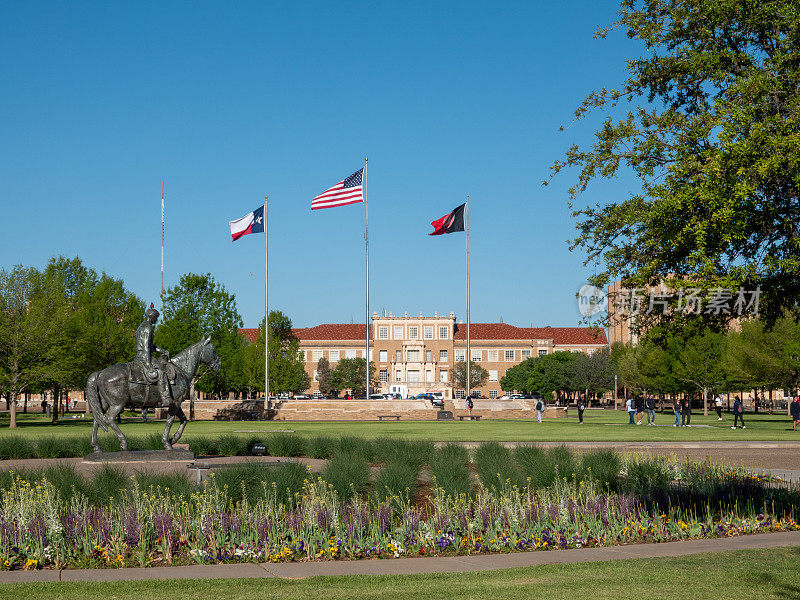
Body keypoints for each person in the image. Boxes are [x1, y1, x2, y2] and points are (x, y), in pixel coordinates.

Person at [134, 304, 173, 408]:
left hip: (141, 355)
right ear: (152, 317)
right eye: (156, 318)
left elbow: (151, 346)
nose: (156, 320)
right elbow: (146, 347)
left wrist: (162, 351)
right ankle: (165, 398)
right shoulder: (148, 327)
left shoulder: (141, 326)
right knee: (162, 371)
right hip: (144, 357)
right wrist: (148, 364)